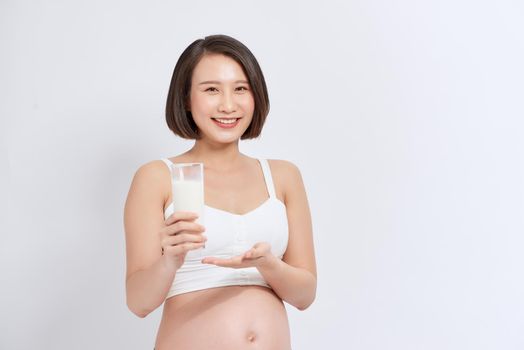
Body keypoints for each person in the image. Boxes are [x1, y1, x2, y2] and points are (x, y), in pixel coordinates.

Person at [124, 34, 317, 350]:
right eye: (211, 89)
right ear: (186, 98)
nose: (228, 105)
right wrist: (170, 261)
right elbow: (138, 302)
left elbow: (305, 295)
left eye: (241, 88)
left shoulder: (283, 177)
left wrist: (269, 264)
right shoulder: (157, 178)